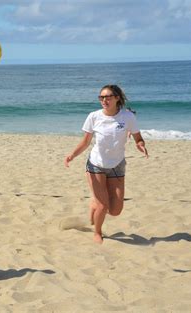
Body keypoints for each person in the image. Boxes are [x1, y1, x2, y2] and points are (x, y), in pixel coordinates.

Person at [64, 85, 148, 244]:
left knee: (115, 210)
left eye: (108, 97)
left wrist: (141, 145)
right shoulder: (94, 116)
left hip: (117, 166)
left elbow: (138, 137)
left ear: (117, 98)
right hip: (96, 164)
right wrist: (72, 155)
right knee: (103, 206)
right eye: (101, 97)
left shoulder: (128, 117)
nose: (104, 100)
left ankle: (95, 202)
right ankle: (97, 232)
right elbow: (86, 142)